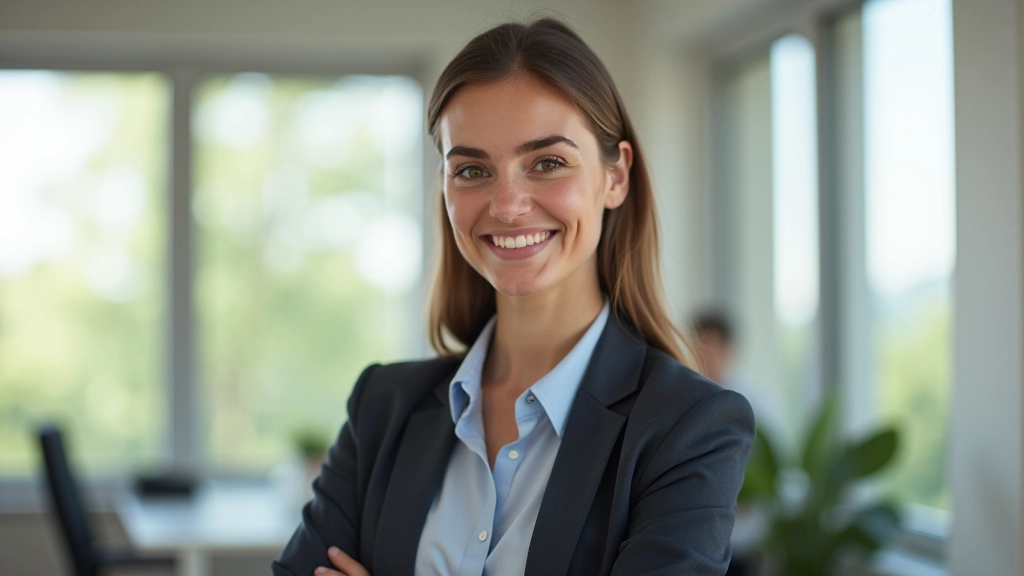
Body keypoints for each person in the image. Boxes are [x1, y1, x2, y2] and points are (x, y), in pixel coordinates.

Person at [272, 18, 754, 576]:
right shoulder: (383, 407)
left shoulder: (688, 426)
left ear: (615, 176)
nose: (506, 205)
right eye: (472, 170)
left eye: (546, 163)